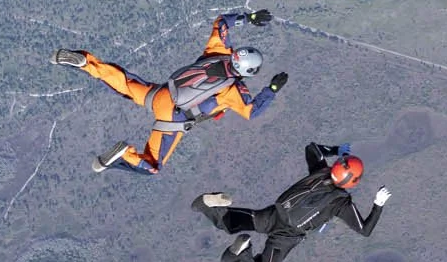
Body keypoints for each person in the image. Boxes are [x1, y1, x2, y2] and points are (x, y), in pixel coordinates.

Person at [53, 11, 285, 176]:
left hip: (162, 93)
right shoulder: (234, 90)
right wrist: (271, 90)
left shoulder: (218, 52)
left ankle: (85, 63)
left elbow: (222, 22)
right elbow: (251, 111)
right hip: (173, 119)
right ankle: (126, 154)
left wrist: (250, 18)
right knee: (152, 166)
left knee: (122, 83)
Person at [194, 144, 390, 262]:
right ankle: (235, 256)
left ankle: (205, 205)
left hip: (275, 213)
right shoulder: (341, 203)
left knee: (232, 222)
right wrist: (378, 204)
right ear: (352, 182)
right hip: (286, 236)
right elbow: (365, 230)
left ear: (338, 166)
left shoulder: (321, 171)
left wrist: (336, 150)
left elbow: (312, 148)